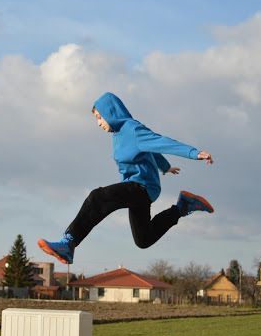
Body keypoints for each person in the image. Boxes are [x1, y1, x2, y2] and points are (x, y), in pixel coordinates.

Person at [38, 92, 214, 265]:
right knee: (143, 239)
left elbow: (159, 142)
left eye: (100, 118)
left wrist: (194, 153)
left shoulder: (133, 129)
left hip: (142, 186)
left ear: (111, 113)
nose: (98, 123)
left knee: (97, 198)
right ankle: (182, 207)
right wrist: (165, 167)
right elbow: (148, 149)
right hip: (135, 190)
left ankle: (68, 243)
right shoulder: (117, 134)